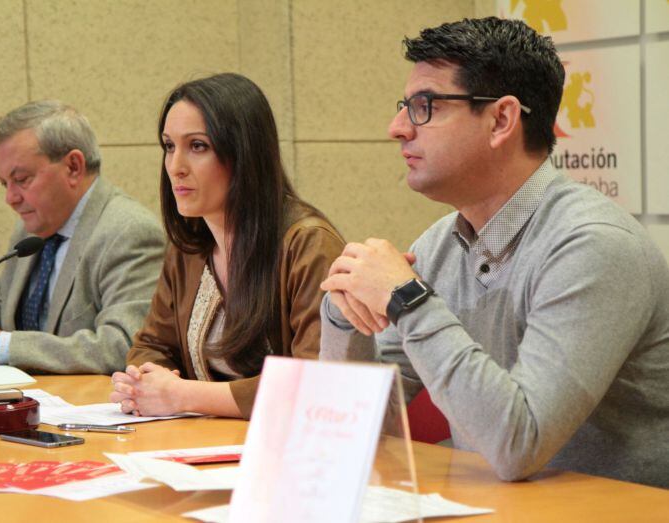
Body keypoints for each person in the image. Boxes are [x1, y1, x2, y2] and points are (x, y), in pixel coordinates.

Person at [320, 17, 669, 488]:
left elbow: (518, 446)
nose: (397, 128)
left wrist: (408, 300)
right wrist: (346, 314)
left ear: (501, 119)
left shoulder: (594, 245)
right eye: (405, 106)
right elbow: (356, 428)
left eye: (425, 106)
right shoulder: (439, 244)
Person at [110, 73, 344, 419]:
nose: (176, 167)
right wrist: (144, 381)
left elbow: (317, 383)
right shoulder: (189, 245)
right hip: (210, 442)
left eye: (198, 146)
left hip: (291, 453)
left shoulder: (309, 244)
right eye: (169, 146)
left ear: (244, 154)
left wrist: (182, 395)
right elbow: (152, 346)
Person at [0, 100, 165, 375]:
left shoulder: (129, 231)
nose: (10, 198)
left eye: (22, 179)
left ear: (73, 167)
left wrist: (3, 345)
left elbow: (125, 346)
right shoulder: (32, 227)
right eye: (5, 183)